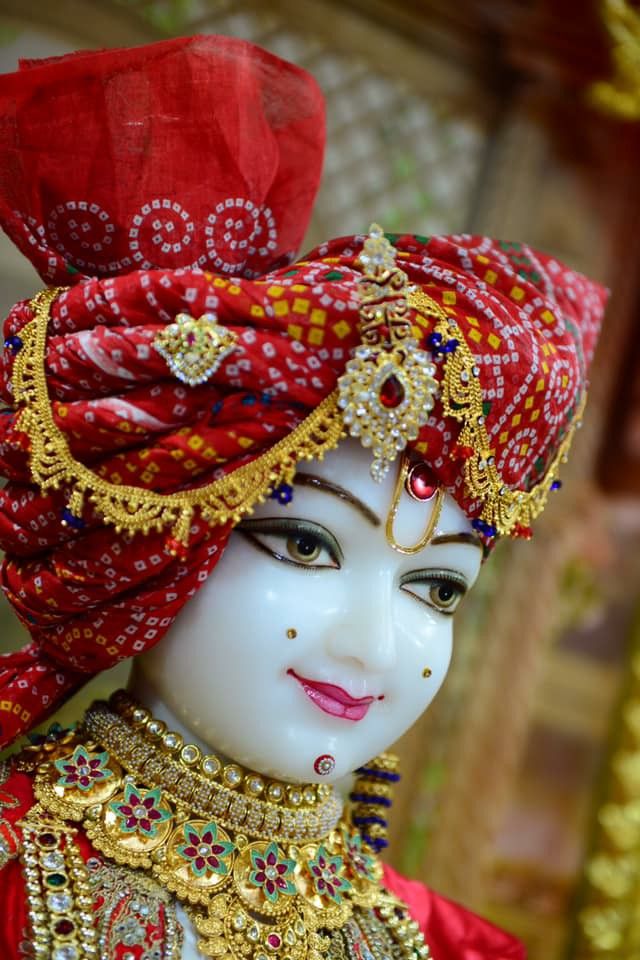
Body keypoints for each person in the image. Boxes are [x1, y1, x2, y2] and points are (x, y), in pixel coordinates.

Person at [0, 35, 605, 960]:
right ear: (154, 541)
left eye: (438, 589)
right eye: (306, 546)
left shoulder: (460, 949)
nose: (373, 644)